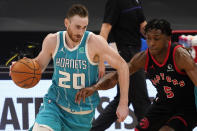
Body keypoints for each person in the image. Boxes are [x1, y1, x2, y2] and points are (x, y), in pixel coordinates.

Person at [10, 4, 130, 131]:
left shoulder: (95, 43)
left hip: (81, 115)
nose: (81, 32)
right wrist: (20, 67)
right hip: (54, 105)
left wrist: (123, 103)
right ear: (67, 23)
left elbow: (123, 66)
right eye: (77, 27)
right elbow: (38, 66)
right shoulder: (53, 40)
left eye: (84, 27)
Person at [75, 19, 197, 131]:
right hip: (162, 105)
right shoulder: (143, 58)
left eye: (156, 38)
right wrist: (95, 87)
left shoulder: (179, 56)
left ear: (168, 38)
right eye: (148, 38)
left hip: (186, 108)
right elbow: (116, 76)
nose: (152, 43)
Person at [89, 0, 151, 130]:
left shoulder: (135, 1)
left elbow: (143, 26)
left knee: (123, 99)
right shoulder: (115, 2)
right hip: (125, 55)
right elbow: (105, 30)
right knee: (141, 100)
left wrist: (159, 40)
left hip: (136, 52)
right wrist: (100, 60)